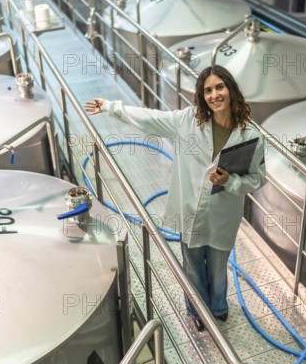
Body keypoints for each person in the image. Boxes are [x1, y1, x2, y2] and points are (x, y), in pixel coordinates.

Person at [85, 65, 266, 332]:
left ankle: (218, 307)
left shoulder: (251, 135)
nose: (214, 95)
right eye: (208, 90)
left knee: (218, 268)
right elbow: (148, 117)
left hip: (223, 215)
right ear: (201, 96)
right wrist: (111, 106)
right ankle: (196, 309)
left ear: (231, 90)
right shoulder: (187, 121)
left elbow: (258, 178)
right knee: (192, 265)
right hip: (189, 209)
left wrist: (231, 181)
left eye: (220, 87)